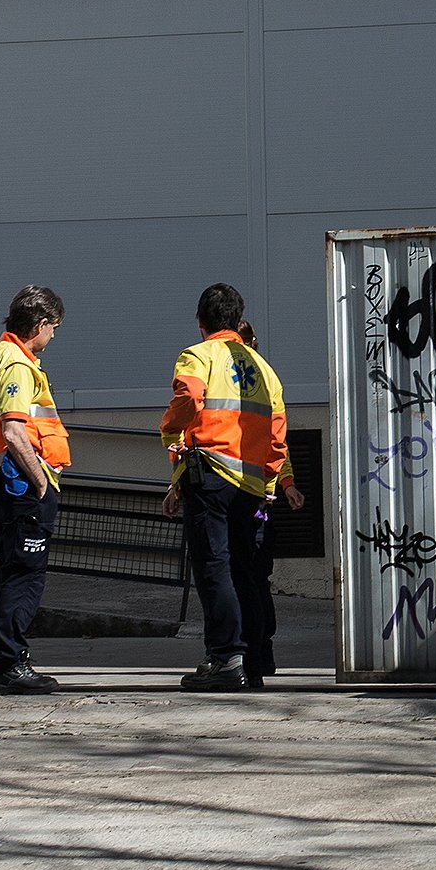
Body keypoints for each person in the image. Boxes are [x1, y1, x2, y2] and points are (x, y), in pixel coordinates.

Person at [158, 283, 303, 691]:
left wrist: (169, 430)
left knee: (213, 567)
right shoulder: (264, 370)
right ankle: (253, 659)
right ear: (237, 321)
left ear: (201, 321)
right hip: (252, 484)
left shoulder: (197, 356)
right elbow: (278, 437)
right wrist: (271, 481)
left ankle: (224, 658)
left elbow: (187, 400)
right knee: (245, 571)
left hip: (212, 476)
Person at [0, 285, 70, 695]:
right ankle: (10, 664)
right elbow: (15, 431)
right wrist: (42, 484)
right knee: (24, 575)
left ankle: (5, 662)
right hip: (21, 480)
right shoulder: (15, 363)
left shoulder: (0, 356)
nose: (54, 336)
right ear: (39, 324)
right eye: (54, 327)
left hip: (8, 477)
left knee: (11, 571)